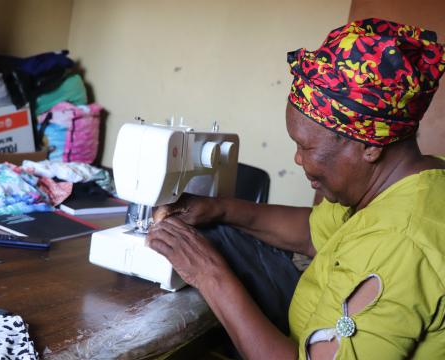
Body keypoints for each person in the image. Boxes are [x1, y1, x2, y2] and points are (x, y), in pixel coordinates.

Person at [147, 18, 445, 359]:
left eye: (306, 147)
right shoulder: (410, 182)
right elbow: (313, 232)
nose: (298, 159)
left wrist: (209, 275)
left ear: (370, 146)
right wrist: (220, 208)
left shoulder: (400, 245)